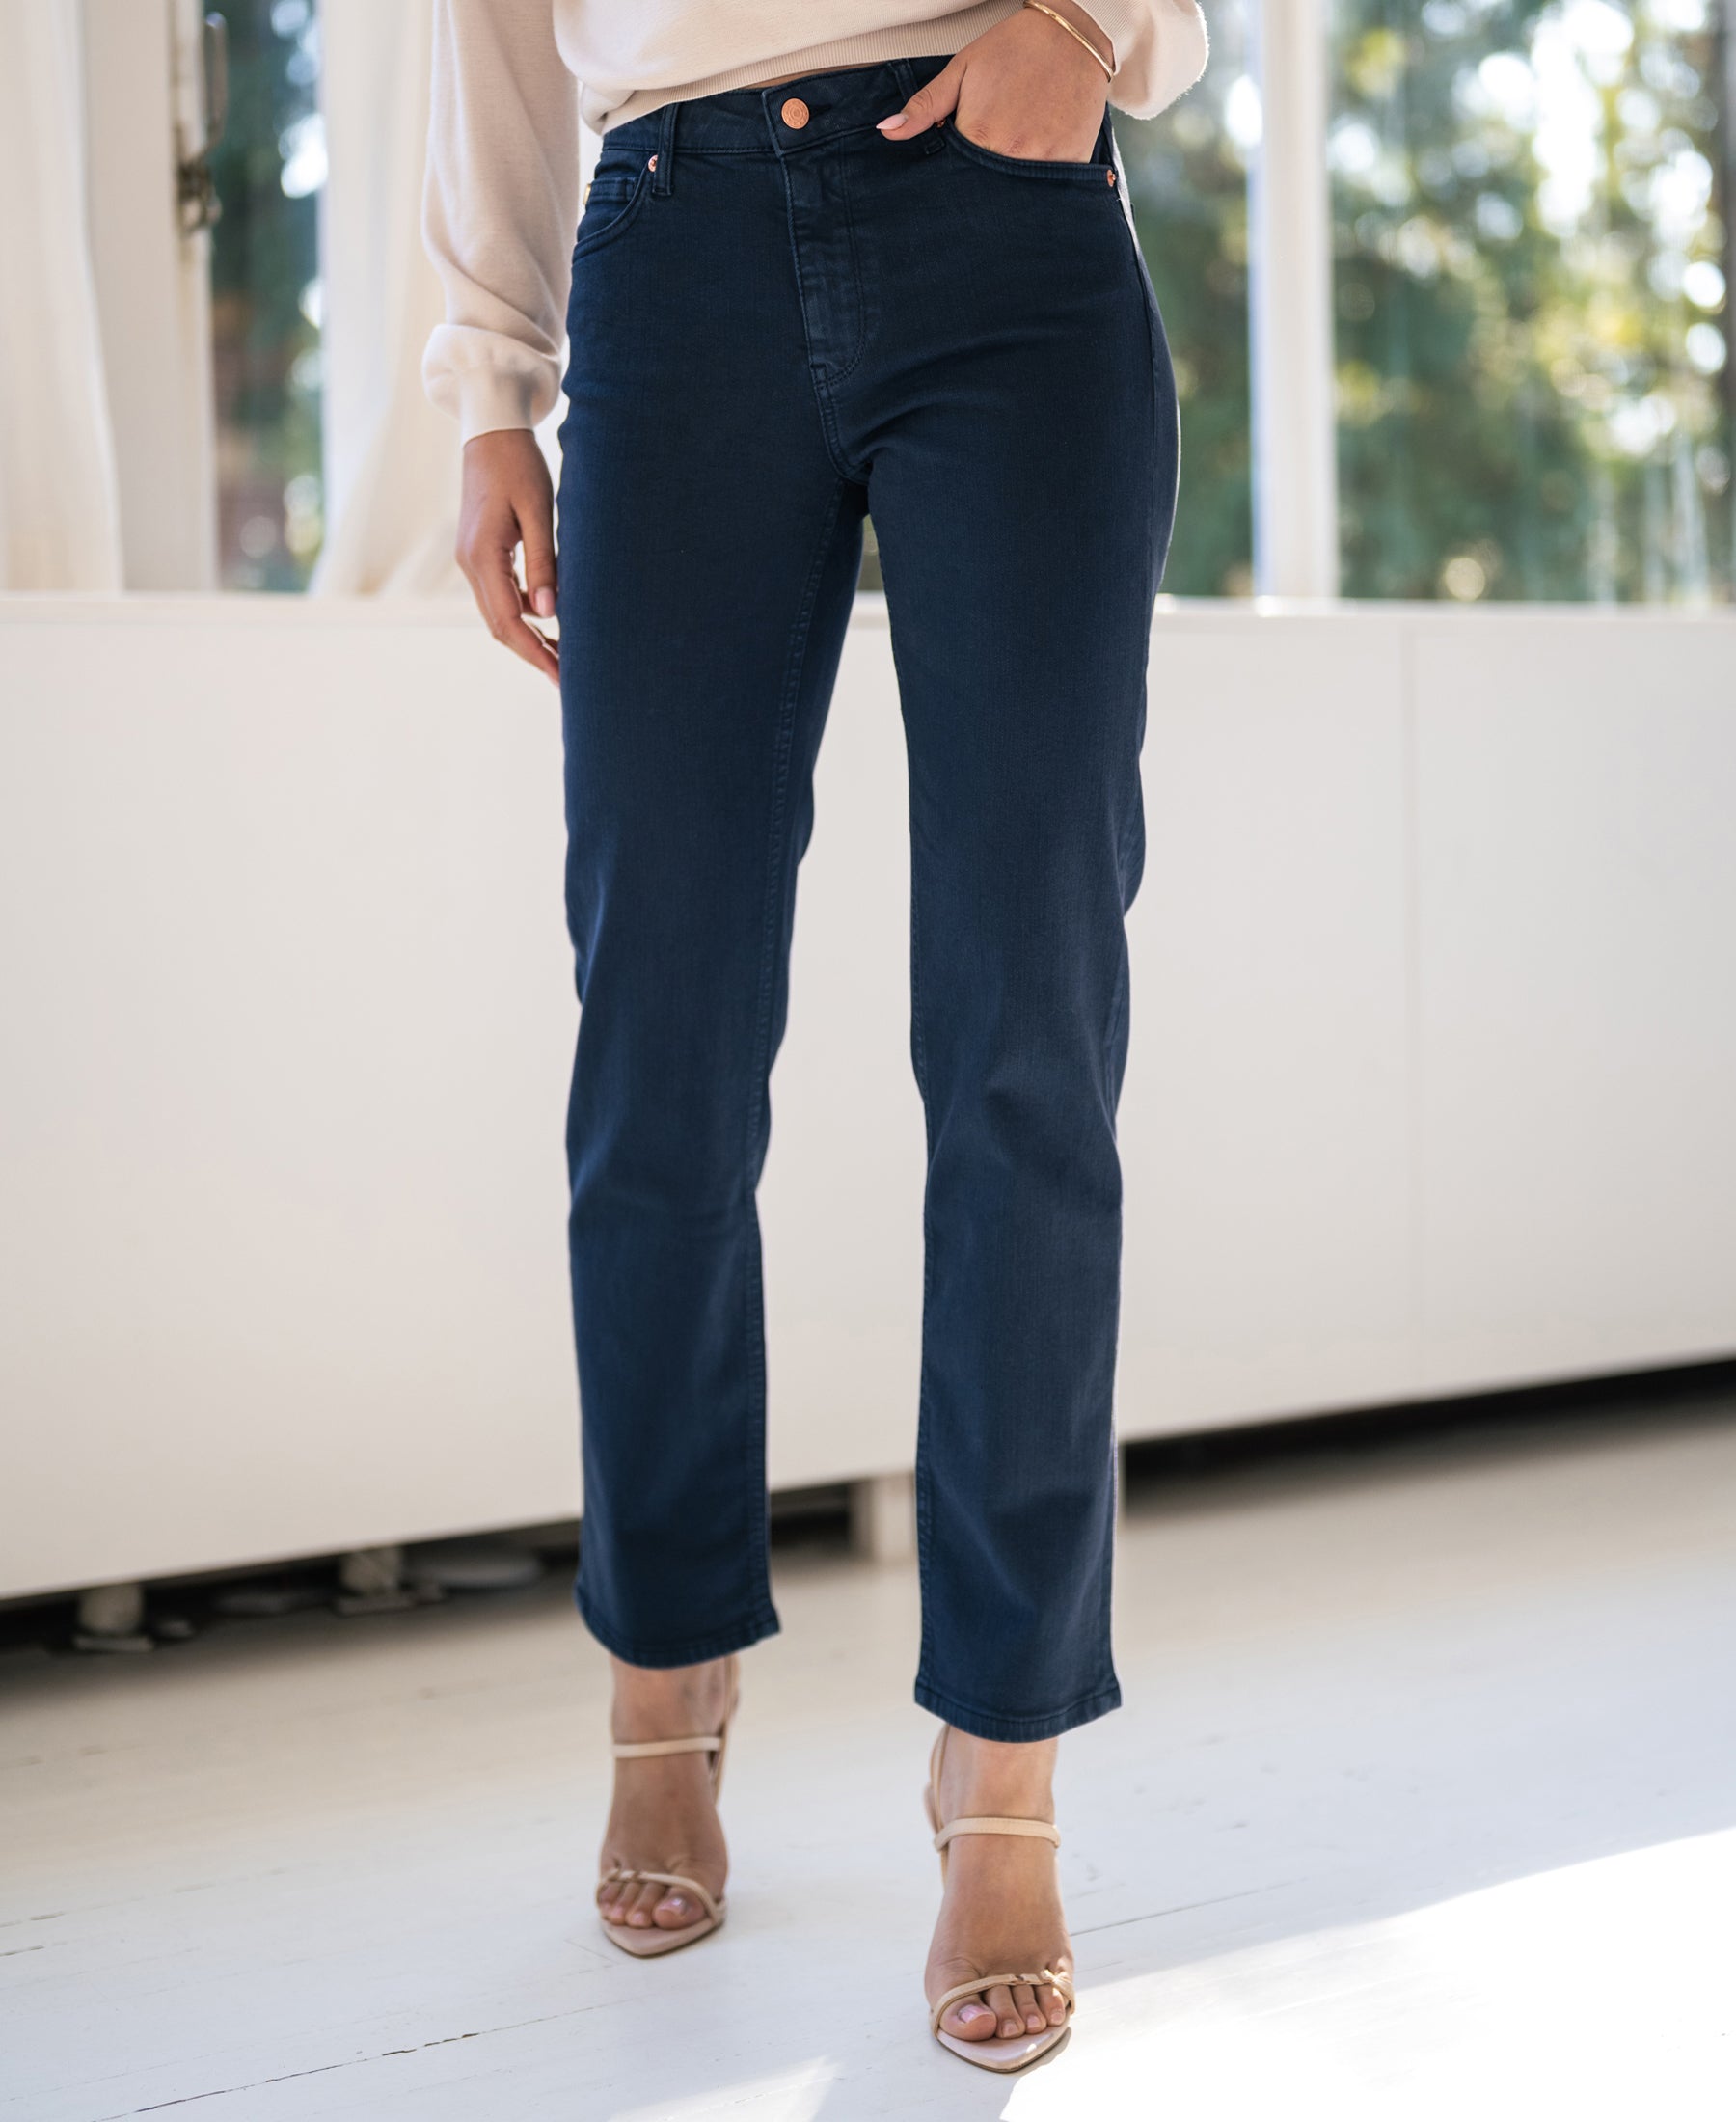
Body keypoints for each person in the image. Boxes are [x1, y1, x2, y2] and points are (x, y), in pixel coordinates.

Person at [423, 0, 1205, 2072]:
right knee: (660, 1028)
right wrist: (492, 381)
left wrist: (1095, 32)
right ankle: (667, 1671)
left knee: (1029, 1037)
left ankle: (1004, 1758)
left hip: (1006, 196)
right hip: (672, 241)